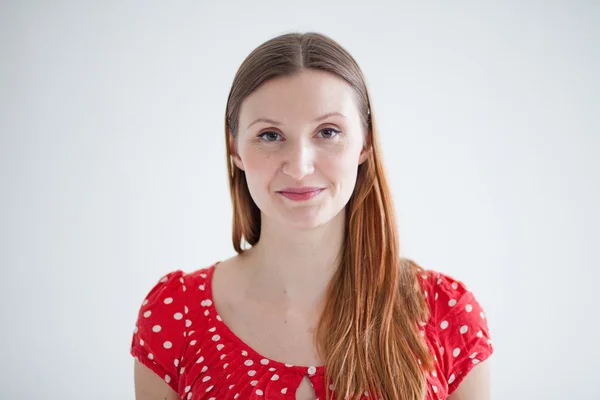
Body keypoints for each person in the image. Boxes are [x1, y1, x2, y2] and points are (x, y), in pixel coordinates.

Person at [130, 32, 494, 400]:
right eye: (270, 135)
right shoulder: (175, 315)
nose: (300, 167)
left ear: (365, 142)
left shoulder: (448, 314)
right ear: (235, 149)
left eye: (328, 132)